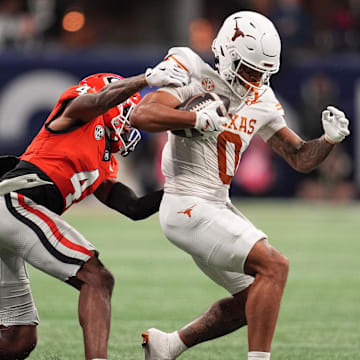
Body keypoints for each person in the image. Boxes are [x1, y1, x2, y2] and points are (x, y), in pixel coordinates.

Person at [130, 11, 350, 360]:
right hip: (185, 202)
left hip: (217, 204)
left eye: (263, 71)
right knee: (275, 267)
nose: (256, 78)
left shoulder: (261, 96)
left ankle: (168, 345)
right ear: (228, 53)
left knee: (257, 297)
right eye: (250, 69)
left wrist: (328, 140)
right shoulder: (191, 69)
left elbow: (298, 157)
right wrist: (195, 118)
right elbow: (141, 115)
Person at [0, 60, 189, 360]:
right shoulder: (77, 115)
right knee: (96, 277)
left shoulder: (104, 163)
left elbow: (134, 207)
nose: (131, 123)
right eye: (127, 112)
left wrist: (186, 190)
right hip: (12, 202)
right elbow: (97, 100)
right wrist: (144, 80)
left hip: (12, 215)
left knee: (17, 341)